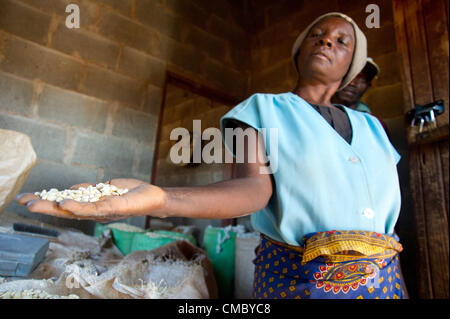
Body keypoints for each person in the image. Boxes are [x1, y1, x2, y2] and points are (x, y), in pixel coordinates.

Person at [17, 12, 404, 299]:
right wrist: (164, 199)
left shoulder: (372, 127)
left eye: (341, 41)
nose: (325, 42)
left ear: (351, 65)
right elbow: (253, 188)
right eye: (316, 36)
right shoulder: (263, 110)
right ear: (298, 50)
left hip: (387, 282)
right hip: (301, 283)